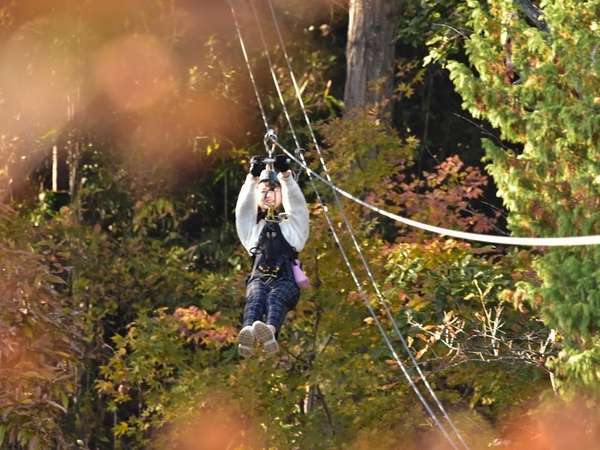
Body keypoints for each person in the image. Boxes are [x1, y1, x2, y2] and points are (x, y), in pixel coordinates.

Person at [235, 154, 309, 357]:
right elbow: (242, 211)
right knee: (256, 296)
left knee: (276, 297)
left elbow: (299, 208)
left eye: (272, 190)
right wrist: (252, 179)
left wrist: (286, 176)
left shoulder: (292, 229)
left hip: (286, 282)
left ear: (281, 194)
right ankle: (248, 330)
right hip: (259, 278)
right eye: (263, 191)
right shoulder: (252, 231)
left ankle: (271, 332)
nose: (267, 194)